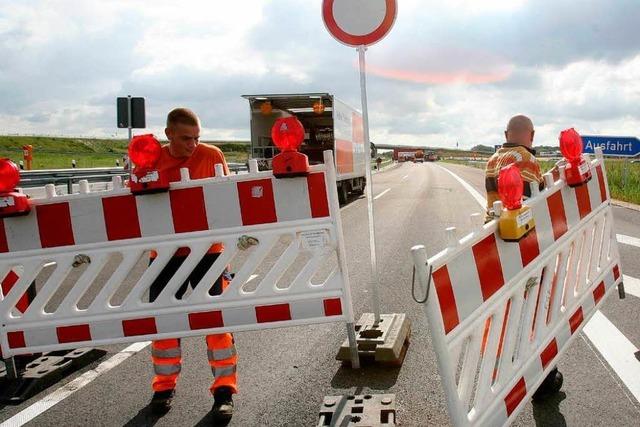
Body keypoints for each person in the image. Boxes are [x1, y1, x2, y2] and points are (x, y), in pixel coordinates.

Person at [148, 108, 237, 422]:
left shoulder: (211, 155)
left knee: (216, 323)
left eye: (197, 137)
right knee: (164, 324)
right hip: (165, 256)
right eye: (186, 138)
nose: (192, 145)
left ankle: (224, 391)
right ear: (168, 133)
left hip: (208, 253)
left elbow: (226, 199)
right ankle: (163, 387)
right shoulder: (151, 160)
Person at [484, 115, 563, 401]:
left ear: (506, 133)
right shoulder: (526, 159)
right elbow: (531, 205)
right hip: (526, 248)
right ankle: (543, 380)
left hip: (499, 249)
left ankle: (509, 368)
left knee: (512, 313)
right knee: (537, 313)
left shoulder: (493, 159)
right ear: (531, 135)